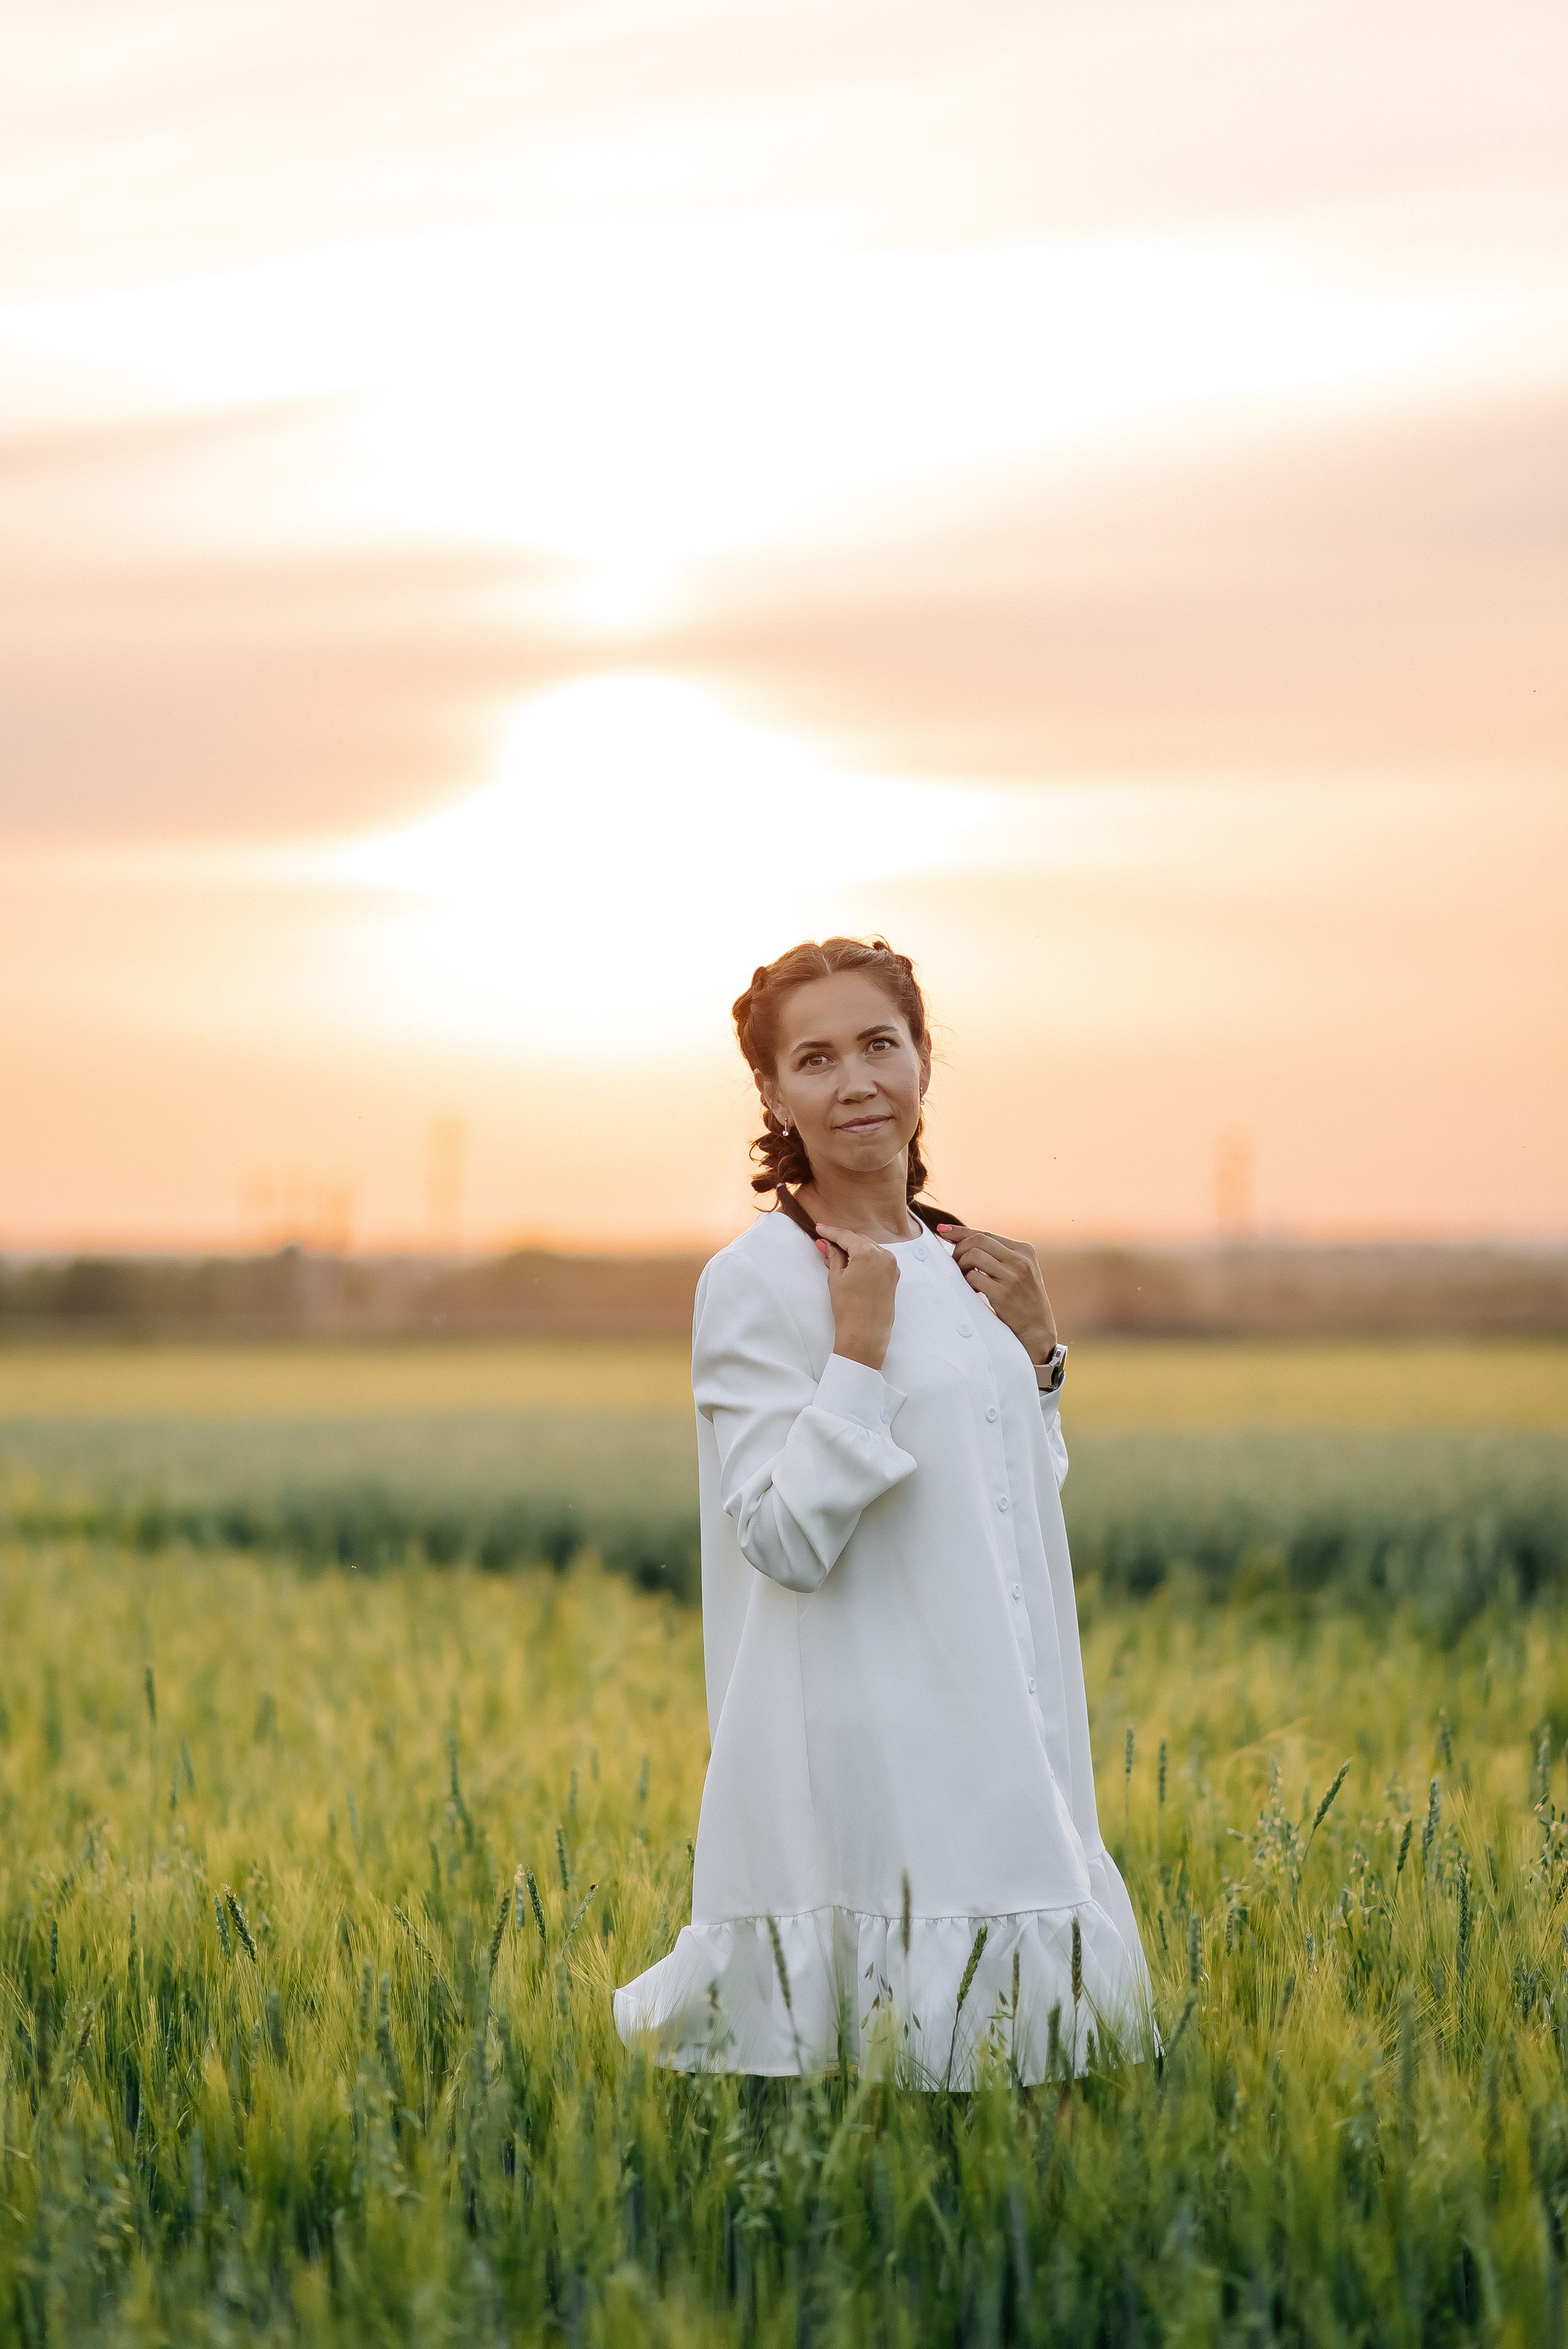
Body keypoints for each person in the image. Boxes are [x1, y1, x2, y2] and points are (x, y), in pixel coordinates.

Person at [614, 937, 1150, 2084]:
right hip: (876, 1743)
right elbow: (780, 1538)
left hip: (1013, 1721)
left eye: (879, 1044)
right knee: (905, 2083)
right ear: (773, 1094)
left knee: (1039, 2087)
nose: (855, 1080)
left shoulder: (970, 1262)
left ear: (920, 1064)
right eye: (815, 1058)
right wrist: (856, 1355)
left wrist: (1043, 1355)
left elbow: (1009, 1499)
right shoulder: (758, 1280)